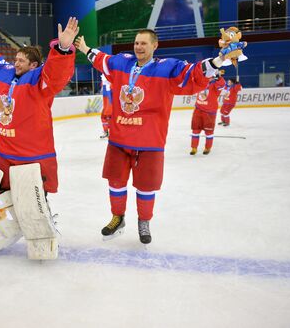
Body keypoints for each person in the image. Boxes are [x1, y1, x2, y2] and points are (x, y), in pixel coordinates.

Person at [75, 29, 226, 244]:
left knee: (146, 186)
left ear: (155, 46)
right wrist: (85, 48)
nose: (138, 47)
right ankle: (117, 217)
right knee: (115, 182)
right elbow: (102, 60)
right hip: (119, 138)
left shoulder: (167, 68)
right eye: (136, 43)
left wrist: (219, 59)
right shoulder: (122, 63)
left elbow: (193, 73)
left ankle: (143, 222)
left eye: (144, 43)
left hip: (150, 141)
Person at [0, 17, 78, 196]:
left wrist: (62, 48)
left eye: (21, 61)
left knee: (34, 211)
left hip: (33, 158)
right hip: (5, 155)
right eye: (16, 59)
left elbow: (56, 73)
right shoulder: (5, 75)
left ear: (33, 65)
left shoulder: (40, 80)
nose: (16, 63)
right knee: (4, 206)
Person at [189, 71, 226, 155]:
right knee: (195, 130)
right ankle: (194, 148)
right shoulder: (200, 83)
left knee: (209, 132)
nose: (207, 77)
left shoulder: (215, 85)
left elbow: (222, 85)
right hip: (198, 109)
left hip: (209, 112)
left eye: (210, 76)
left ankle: (207, 147)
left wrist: (219, 77)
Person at [100, 74, 112, 139]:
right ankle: (108, 132)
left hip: (109, 100)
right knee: (106, 117)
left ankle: (108, 132)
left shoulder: (106, 79)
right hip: (108, 99)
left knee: (105, 116)